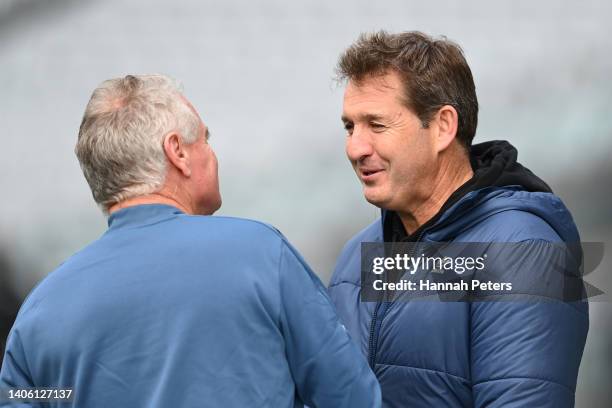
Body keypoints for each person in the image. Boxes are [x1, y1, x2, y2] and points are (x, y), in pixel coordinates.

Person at [0, 74, 381, 408]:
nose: (211, 154)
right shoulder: (259, 254)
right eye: (205, 139)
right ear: (177, 152)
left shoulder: (39, 314)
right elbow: (350, 396)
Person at [328, 31, 588, 407]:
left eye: (377, 125)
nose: (355, 147)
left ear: (443, 127)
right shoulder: (355, 256)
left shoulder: (522, 251)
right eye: (350, 127)